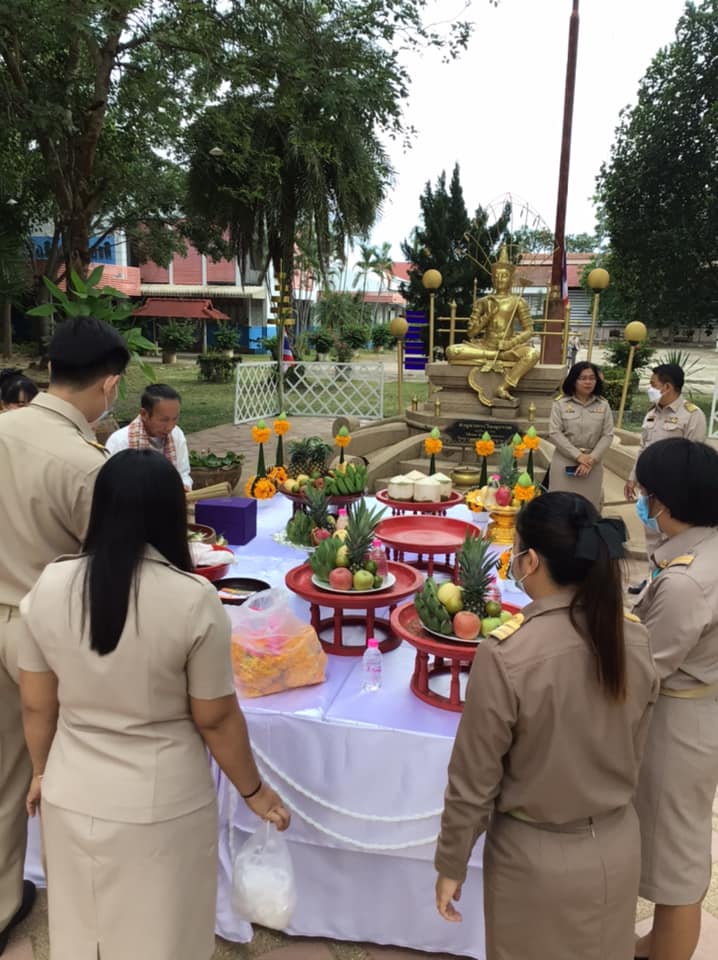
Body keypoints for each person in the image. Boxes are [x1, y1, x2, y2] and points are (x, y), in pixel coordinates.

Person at [18, 450, 290, 960]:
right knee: (164, 934)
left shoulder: (50, 585)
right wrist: (253, 791)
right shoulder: (192, 599)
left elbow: (37, 704)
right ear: (173, 514)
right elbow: (215, 716)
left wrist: (40, 771)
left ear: (99, 509)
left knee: (83, 930)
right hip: (163, 799)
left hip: (72, 788)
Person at [434, 492, 658, 960]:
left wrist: (451, 862)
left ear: (530, 560)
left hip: (534, 859)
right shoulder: (633, 637)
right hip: (616, 846)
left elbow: (474, 778)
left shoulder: (508, 655)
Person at [0, 316, 130, 953]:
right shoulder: (86, 464)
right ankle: (84, 899)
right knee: (65, 768)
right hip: (43, 634)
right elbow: (110, 566)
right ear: (109, 386)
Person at [629, 439, 718, 960]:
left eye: (646, 494)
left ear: (665, 502)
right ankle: (654, 944)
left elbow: (645, 664)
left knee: (675, 854)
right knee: (673, 840)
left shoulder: (688, 581)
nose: (642, 501)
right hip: (698, 705)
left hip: (679, 723)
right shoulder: (702, 549)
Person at [624, 363, 707, 593]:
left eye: (653, 385)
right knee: (652, 536)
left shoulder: (692, 415)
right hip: (650, 488)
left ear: (667, 387)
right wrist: (633, 478)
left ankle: (670, 581)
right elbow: (642, 449)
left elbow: (695, 456)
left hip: (675, 491)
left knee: (675, 538)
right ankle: (652, 579)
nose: (649, 389)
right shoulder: (652, 414)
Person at [446, 245, 538, 406]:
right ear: (492, 279)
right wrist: (487, 316)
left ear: (511, 279)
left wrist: (511, 343)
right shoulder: (483, 302)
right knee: (452, 351)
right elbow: (471, 333)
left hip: (508, 349)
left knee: (532, 354)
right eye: (496, 276)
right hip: (486, 347)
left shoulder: (518, 301)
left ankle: (503, 387)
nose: (499, 280)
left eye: (504, 276)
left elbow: (529, 330)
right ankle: (490, 358)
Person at [547, 361, 614, 510]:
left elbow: (608, 435)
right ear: (573, 380)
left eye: (592, 378)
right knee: (560, 508)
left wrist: (590, 459)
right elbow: (554, 433)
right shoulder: (560, 404)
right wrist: (578, 456)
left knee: (588, 508)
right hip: (565, 461)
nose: (588, 382)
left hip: (592, 465)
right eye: (583, 378)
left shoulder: (603, 405)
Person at [105, 382, 193, 489]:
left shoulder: (177, 434)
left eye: (175, 419)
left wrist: (184, 486)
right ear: (144, 414)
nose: (170, 427)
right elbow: (112, 483)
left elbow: (183, 473)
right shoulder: (120, 441)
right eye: (164, 420)